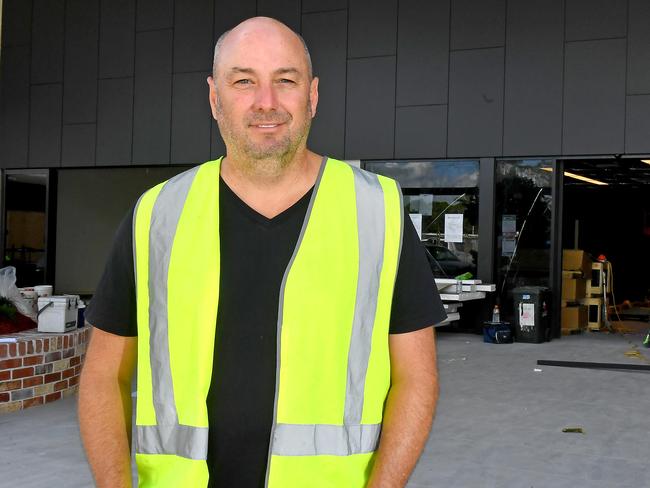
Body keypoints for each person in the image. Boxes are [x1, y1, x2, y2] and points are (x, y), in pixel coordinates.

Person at [79, 16, 446, 488]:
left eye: (285, 81)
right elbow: (103, 376)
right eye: (244, 81)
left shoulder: (379, 212)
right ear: (214, 98)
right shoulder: (156, 216)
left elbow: (416, 377)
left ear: (312, 96)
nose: (266, 102)